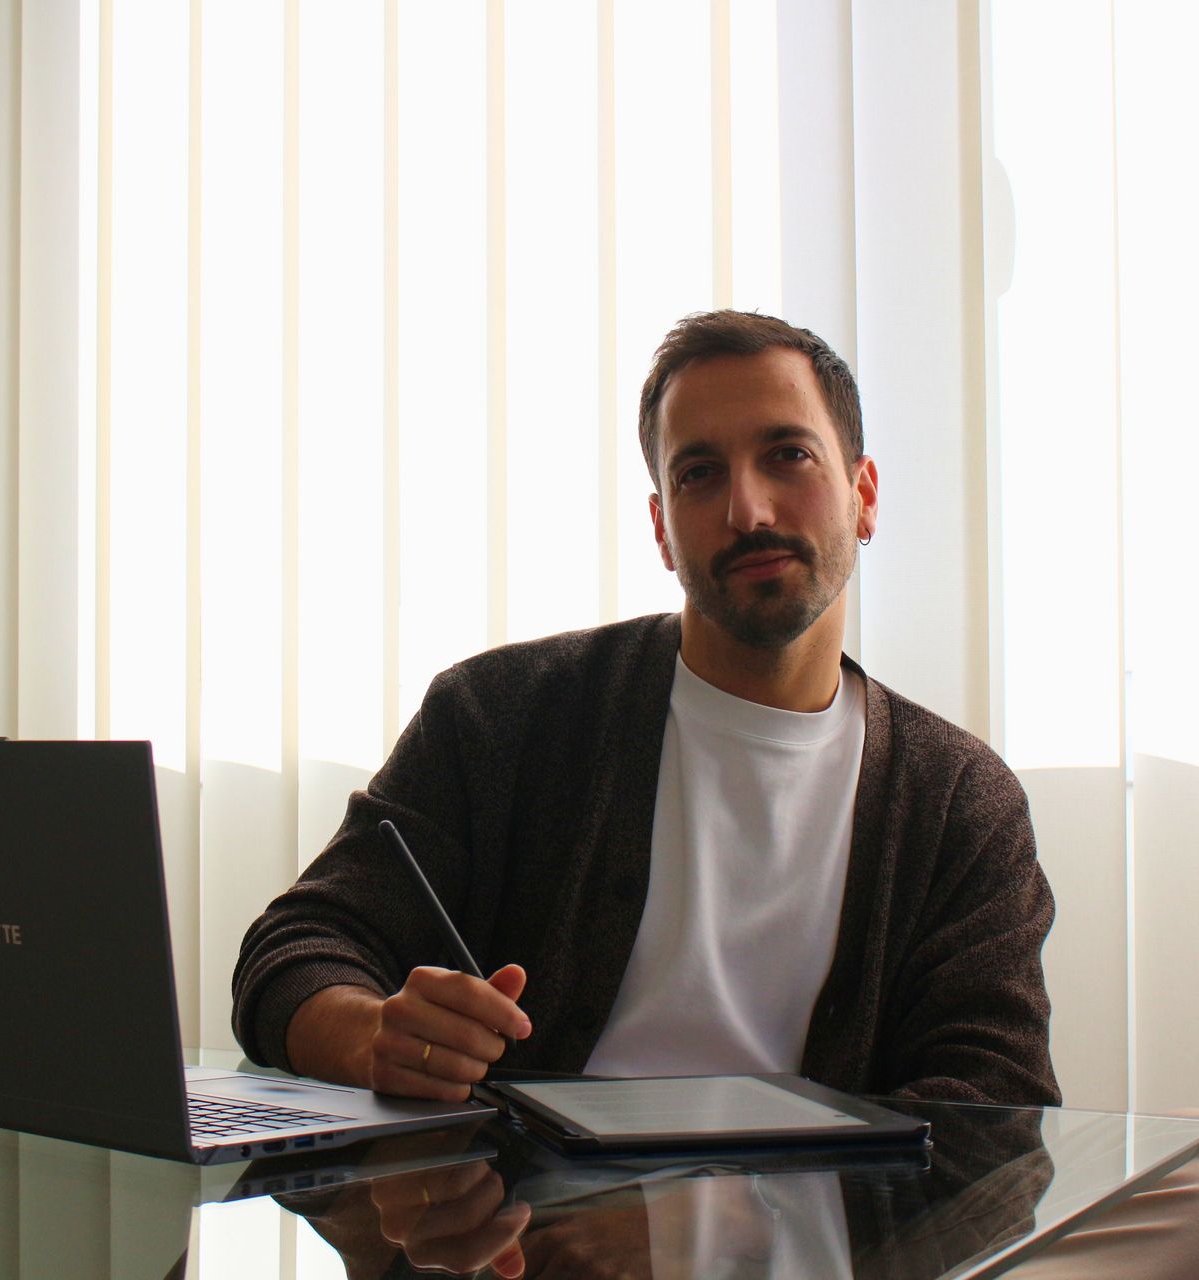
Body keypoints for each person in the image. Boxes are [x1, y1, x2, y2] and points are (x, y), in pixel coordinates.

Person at [231, 309, 1060, 1112]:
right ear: (662, 527)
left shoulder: (959, 802)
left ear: (863, 494)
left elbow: (998, 1099)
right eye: (699, 473)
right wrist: (370, 1036)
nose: (748, 511)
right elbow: (298, 948)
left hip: (812, 1208)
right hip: (518, 1207)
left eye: (788, 456)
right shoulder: (499, 716)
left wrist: (772, 1193)